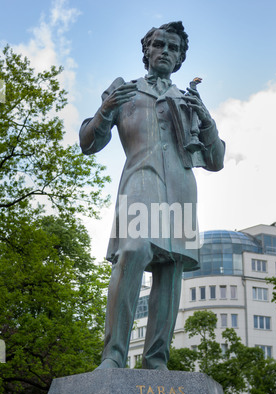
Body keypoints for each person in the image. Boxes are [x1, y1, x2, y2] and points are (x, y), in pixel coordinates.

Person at [79, 21, 225, 370]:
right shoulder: (125, 91)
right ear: (147, 51)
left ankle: (156, 359)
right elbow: (88, 143)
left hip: (181, 187)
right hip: (141, 179)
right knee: (134, 248)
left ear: (179, 60)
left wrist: (207, 121)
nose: (166, 51)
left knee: (171, 268)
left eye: (173, 48)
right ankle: (113, 355)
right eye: (160, 44)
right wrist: (106, 108)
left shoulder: (188, 100)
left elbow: (216, 160)